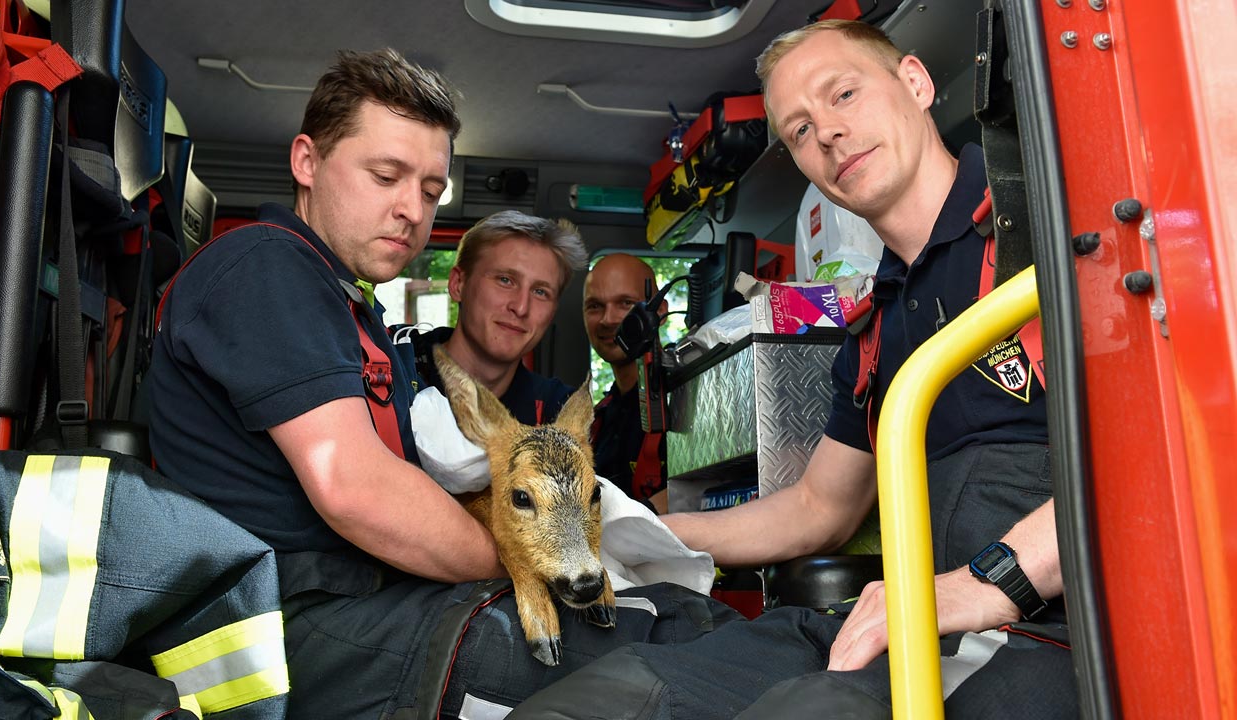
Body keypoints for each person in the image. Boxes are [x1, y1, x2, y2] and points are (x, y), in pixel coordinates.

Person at [508, 19, 1075, 719]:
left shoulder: (1056, 230)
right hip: (918, 609)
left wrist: (987, 582)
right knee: (604, 698)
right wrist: (642, 529)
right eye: (801, 130)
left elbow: (1160, 452)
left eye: (843, 94)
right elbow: (819, 509)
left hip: (1053, 625)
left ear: (917, 83)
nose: (828, 133)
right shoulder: (870, 332)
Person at [148, 48, 732, 720]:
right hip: (294, 624)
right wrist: (526, 559)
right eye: (386, 176)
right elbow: (357, 489)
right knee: (671, 665)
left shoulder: (348, 306)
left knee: (680, 624)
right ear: (306, 162)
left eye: (430, 191)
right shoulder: (267, 266)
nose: (410, 209)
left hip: (353, 604)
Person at [405, 210, 586, 425]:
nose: (520, 307)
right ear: (458, 284)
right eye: (505, 280)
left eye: (540, 292)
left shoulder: (560, 411)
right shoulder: (398, 369)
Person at [582, 253, 668, 510]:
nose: (608, 319)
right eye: (595, 306)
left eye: (625, 303)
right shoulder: (599, 419)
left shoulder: (691, 397)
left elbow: (704, 492)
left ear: (660, 311)